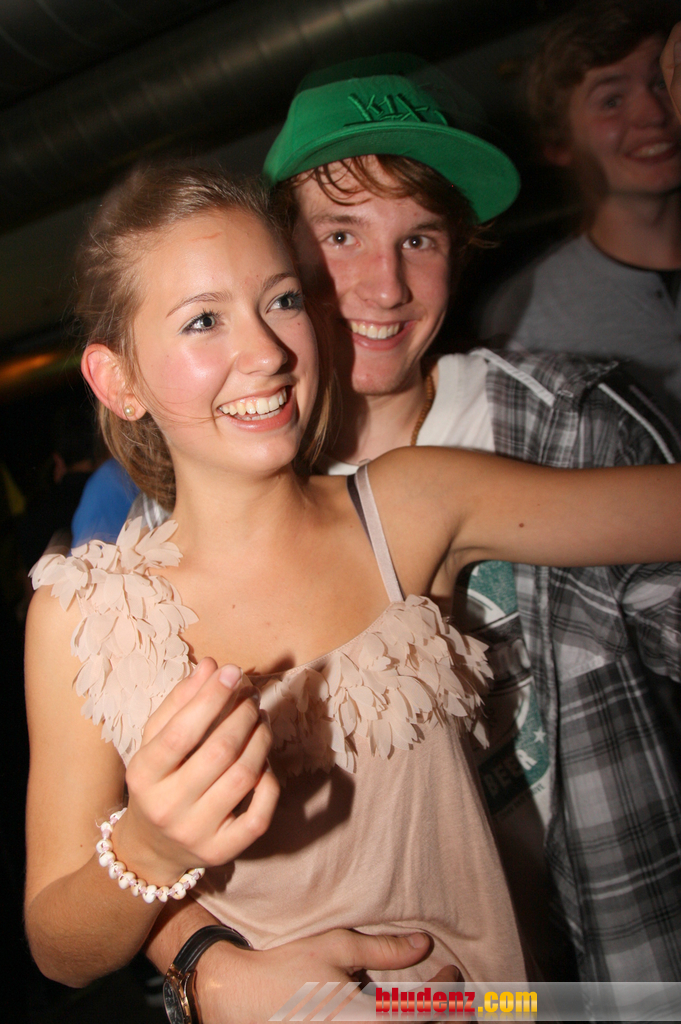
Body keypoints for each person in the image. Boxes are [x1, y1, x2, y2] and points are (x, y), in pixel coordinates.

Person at [25, 163, 681, 1017]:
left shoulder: (410, 505)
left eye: (281, 301)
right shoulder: (83, 615)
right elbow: (58, 948)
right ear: (119, 382)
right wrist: (149, 852)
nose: (267, 352)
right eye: (203, 321)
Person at [480, 0, 681, 426]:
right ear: (558, 144)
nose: (653, 115)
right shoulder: (527, 315)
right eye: (611, 100)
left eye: (662, 84)